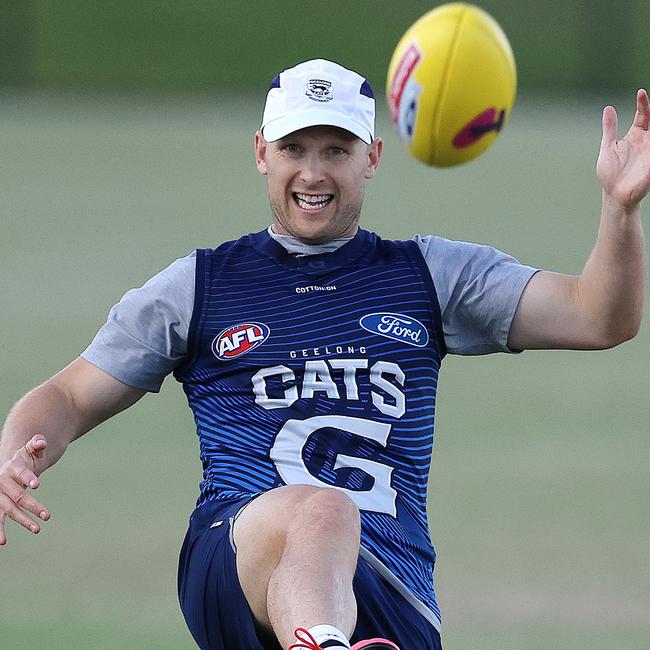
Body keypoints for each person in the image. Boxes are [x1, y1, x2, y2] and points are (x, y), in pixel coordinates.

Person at [0, 58, 647, 650]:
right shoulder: (200, 286)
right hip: (234, 561)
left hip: (392, 591)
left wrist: (620, 211)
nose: (312, 172)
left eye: (335, 149)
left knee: (330, 516)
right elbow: (68, 395)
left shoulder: (433, 275)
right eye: (293, 148)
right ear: (261, 153)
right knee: (321, 506)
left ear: (372, 157)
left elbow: (598, 317)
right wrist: (17, 451)